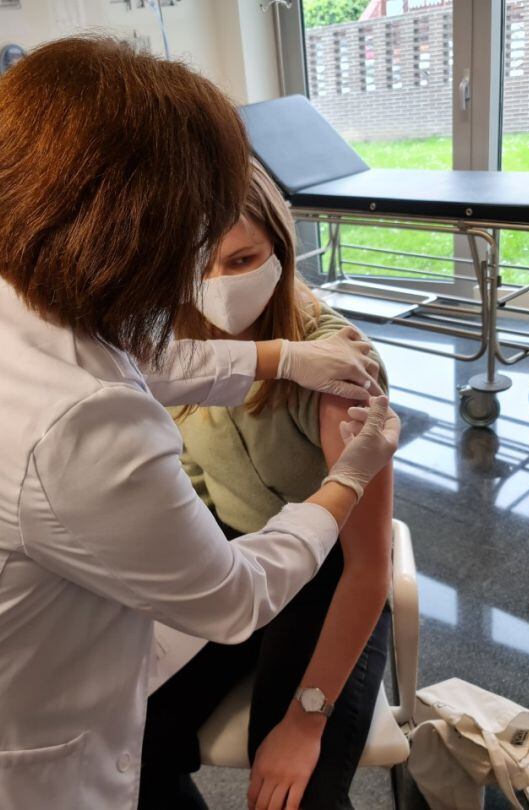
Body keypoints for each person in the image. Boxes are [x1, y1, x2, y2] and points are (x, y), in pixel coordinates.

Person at [0, 37, 400, 810]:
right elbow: (228, 597)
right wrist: (346, 478)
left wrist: (278, 359)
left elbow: (361, 564)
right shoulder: (82, 420)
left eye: (240, 253)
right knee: (153, 747)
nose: (210, 275)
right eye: (199, 244)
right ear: (143, 236)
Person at [140, 162, 394, 810]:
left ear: (280, 248)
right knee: (125, 743)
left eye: (242, 258)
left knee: (292, 793)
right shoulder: (174, 349)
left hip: (328, 580)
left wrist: (306, 722)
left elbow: (368, 566)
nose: (220, 286)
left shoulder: (340, 363)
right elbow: (191, 483)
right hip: (231, 556)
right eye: (201, 266)